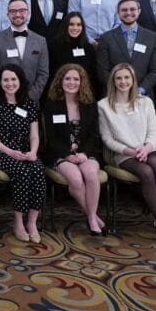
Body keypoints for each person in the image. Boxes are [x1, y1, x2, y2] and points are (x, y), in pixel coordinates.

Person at [98, 62, 156, 245]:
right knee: (147, 172)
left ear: (133, 80)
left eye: (127, 77)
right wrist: (131, 151)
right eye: (119, 78)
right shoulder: (103, 105)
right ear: (113, 81)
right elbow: (107, 139)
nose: (123, 82)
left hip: (151, 148)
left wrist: (146, 147)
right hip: (123, 153)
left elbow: (154, 132)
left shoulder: (145, 101)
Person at [0, 64, 47, 243]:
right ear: (0, 82)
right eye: (6, 80)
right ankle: (18, 222)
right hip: (1, 152)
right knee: (21, 171)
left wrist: (33, 152)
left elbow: (35, 135)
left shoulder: (29, 104)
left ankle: (33, 222)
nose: (10, 83)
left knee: (38, 170)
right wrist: (11, 152)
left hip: (26, 151)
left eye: (13, 79)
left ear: (20, 81)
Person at [43, 64, 105, 235]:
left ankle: (91, 217)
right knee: (76, 179)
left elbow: (94, 134)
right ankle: (93, 216)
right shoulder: (52, 105)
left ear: (82, 82)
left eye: (76, 79)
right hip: (60, 153)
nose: (71, 82)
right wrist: (67, 155)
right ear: (60, 81)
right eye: (67, 78)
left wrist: (84, 153)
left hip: (86, 152)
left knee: (91, 175)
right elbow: (51, 137)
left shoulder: (89, 104)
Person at [95, 0, 156, 98]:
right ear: (118, 13)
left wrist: (141, 90)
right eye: (124, 10)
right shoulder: (106, 38)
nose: (128, 12)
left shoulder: (152, 37)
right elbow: (102, 70)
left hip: (142, 97)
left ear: (139, 11)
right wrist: (119, 88)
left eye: (132, 9)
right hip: (114, 96)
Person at [0, 0, 49, 103]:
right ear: (7, 14)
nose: (17, 14)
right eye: (13, 11)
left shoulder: (41, 40)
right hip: (3, 101)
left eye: (22, 11)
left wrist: (31, 97)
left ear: (28, 13)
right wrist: (5, 96)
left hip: (31, 101)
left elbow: (43, 73)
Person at [48, 11, 98, 92]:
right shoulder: (54, 46)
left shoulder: (88, 48)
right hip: (60, 91)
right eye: (71, 24)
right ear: (65, 26)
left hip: (84, 92)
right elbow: (51, 72)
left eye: (79, 25)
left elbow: (92, 73)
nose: (75, 28)